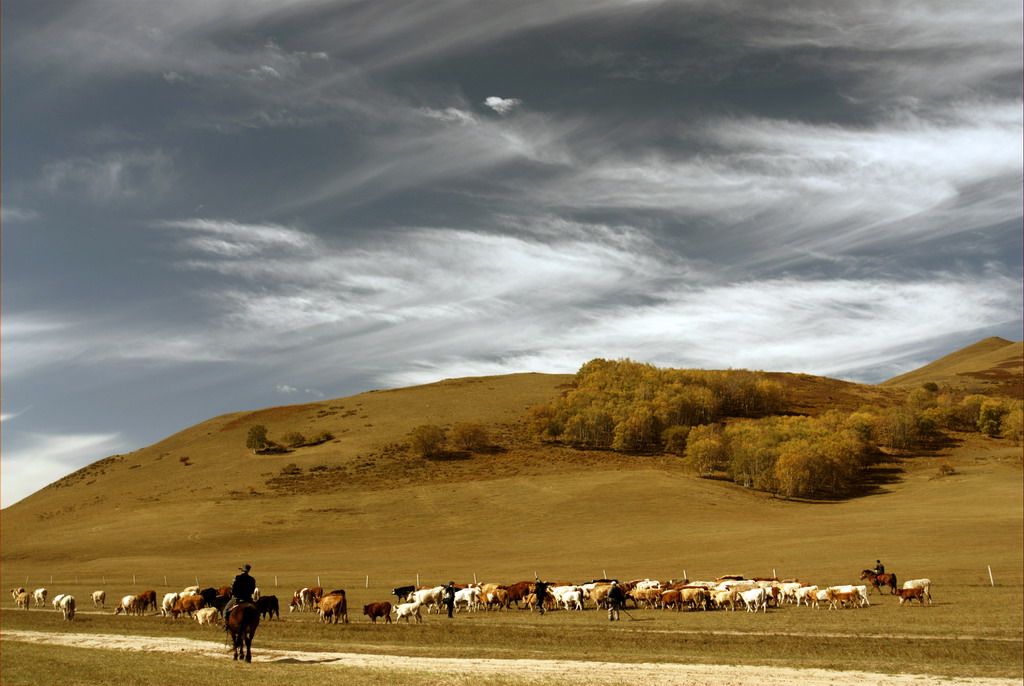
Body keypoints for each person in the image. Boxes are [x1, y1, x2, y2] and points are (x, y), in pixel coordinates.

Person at [223, 564, 256, 629]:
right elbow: (252, 590)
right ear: (248, 571)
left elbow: (232, 588)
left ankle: (225, 624)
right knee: (255, 612)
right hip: (248, 599)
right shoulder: (252, 579)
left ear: (241, 570)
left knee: (225, 610)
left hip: (237, 599)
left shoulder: (236, 577)